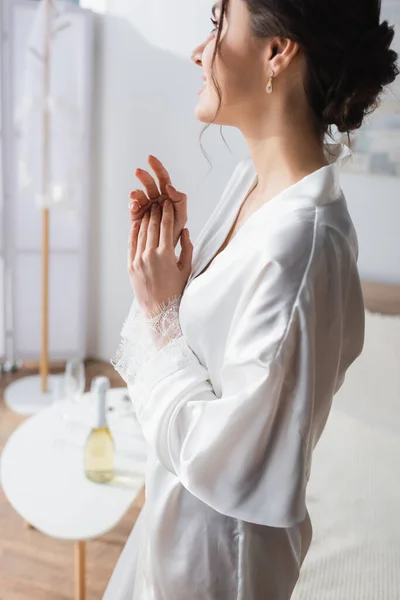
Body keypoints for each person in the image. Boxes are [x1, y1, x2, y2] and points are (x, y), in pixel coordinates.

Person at [103, 0, 399, 598]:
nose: (198, 50)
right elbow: (219, 360)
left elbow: (232, 459)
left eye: (217, 24)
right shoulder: (257, 187)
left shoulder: (304, 244)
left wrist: (162, 310)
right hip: (177, 529)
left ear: (276, 51)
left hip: (217, 567)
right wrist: (177, 282)